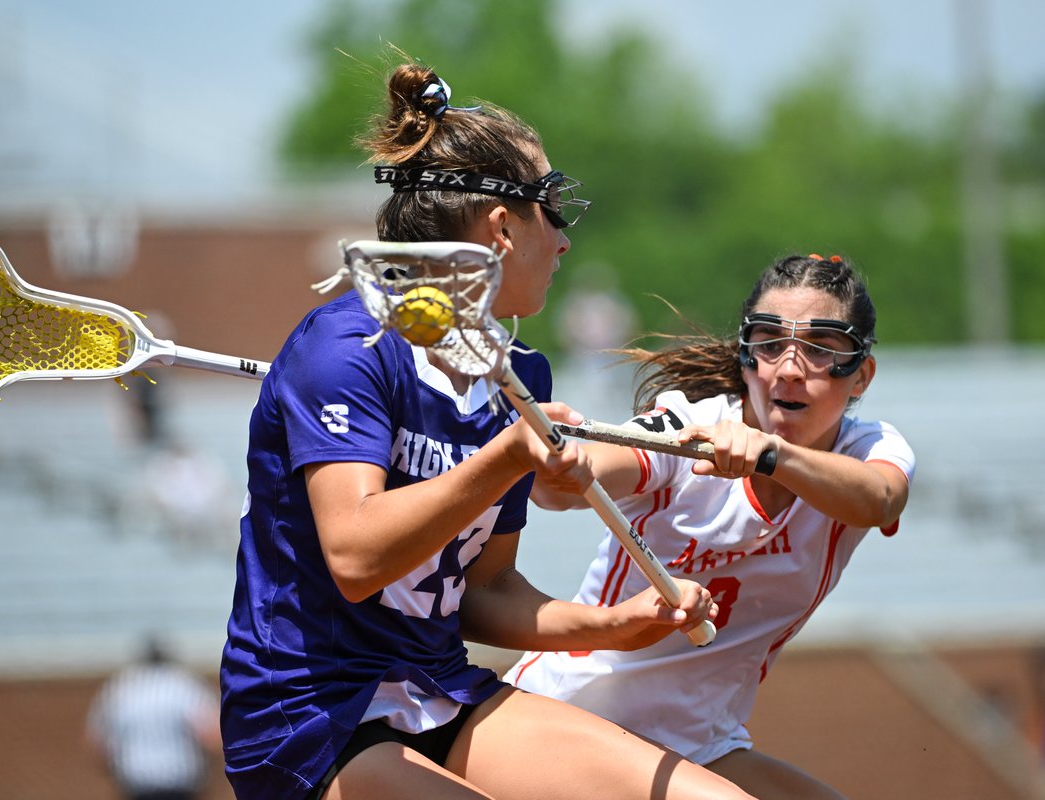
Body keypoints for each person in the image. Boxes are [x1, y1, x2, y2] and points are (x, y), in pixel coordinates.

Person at [219, 62, 755, 800]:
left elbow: (483, 590)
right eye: (553, 211)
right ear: (503, 227)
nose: (565, 242)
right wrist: (504, 458)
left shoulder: (518, 375)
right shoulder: (346, 350)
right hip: (312, 715)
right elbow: (354, 554)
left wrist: (610, 625)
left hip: (439, 688)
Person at [505, 253, 915, 800]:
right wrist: (557, 465)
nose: (789, 369)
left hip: (699, 744)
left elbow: (879, 501)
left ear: (861, 373)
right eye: (769, 344)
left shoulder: (870, 449)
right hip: (571, 718)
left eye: (819, 348)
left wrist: (773, 455)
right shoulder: (685, 427)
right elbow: (570, 485)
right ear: (747, 360)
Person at [87, 637, 221, 800]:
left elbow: (98, 743)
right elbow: (211, 737)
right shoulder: (185, 685)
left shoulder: (120, 688)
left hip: (136, 786)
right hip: (181, 785)